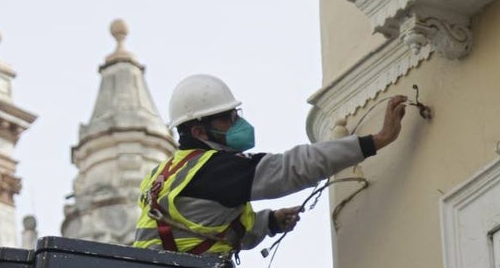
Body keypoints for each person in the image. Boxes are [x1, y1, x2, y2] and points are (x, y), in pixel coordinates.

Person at [133, 74, 408, 255]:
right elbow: (291, 168)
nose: (236, 123)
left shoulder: (170, 171)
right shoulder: (214, 169)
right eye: (226, 119)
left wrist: (269, 222)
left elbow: (208, 225)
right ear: (199, 133)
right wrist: (375, 141)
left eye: (234, 114)